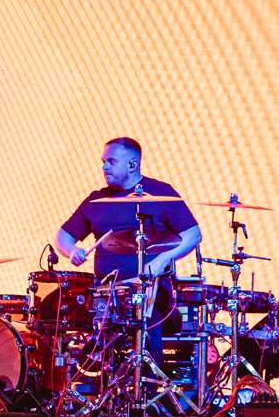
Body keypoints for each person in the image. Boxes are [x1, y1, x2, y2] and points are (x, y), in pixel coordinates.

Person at [55, 137, 202, 364]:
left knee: (145, 317)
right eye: (103, 161)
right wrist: (71, 250)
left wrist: (163, 260)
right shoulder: (98, 199)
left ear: (132, 164)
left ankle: (147, 389)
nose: (104, 167)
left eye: (111, 161)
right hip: (105, 292)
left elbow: (192, 234)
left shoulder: (160, 193)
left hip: (151, 290)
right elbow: (63, 235)